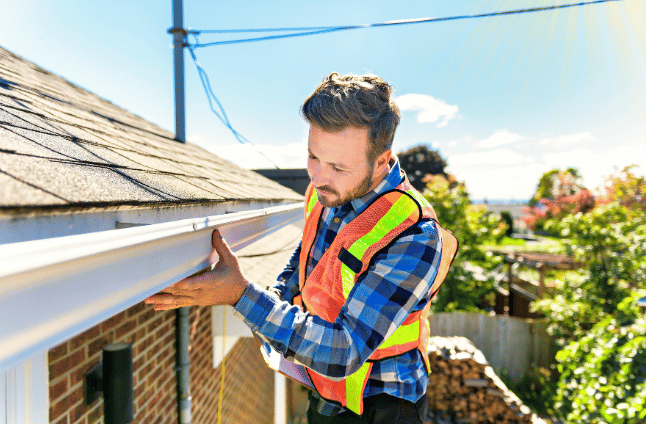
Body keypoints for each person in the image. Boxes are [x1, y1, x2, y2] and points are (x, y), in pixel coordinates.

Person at [145, 72, 458, 424]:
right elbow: (306, 258)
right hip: (324, 392)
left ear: (382, 162)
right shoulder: (324, 192)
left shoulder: (414, 235)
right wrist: (275, 296)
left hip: (384, 405)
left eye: (339, 167)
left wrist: (241, 296)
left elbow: (343, 350)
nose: (319, 177)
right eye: (313, 157)